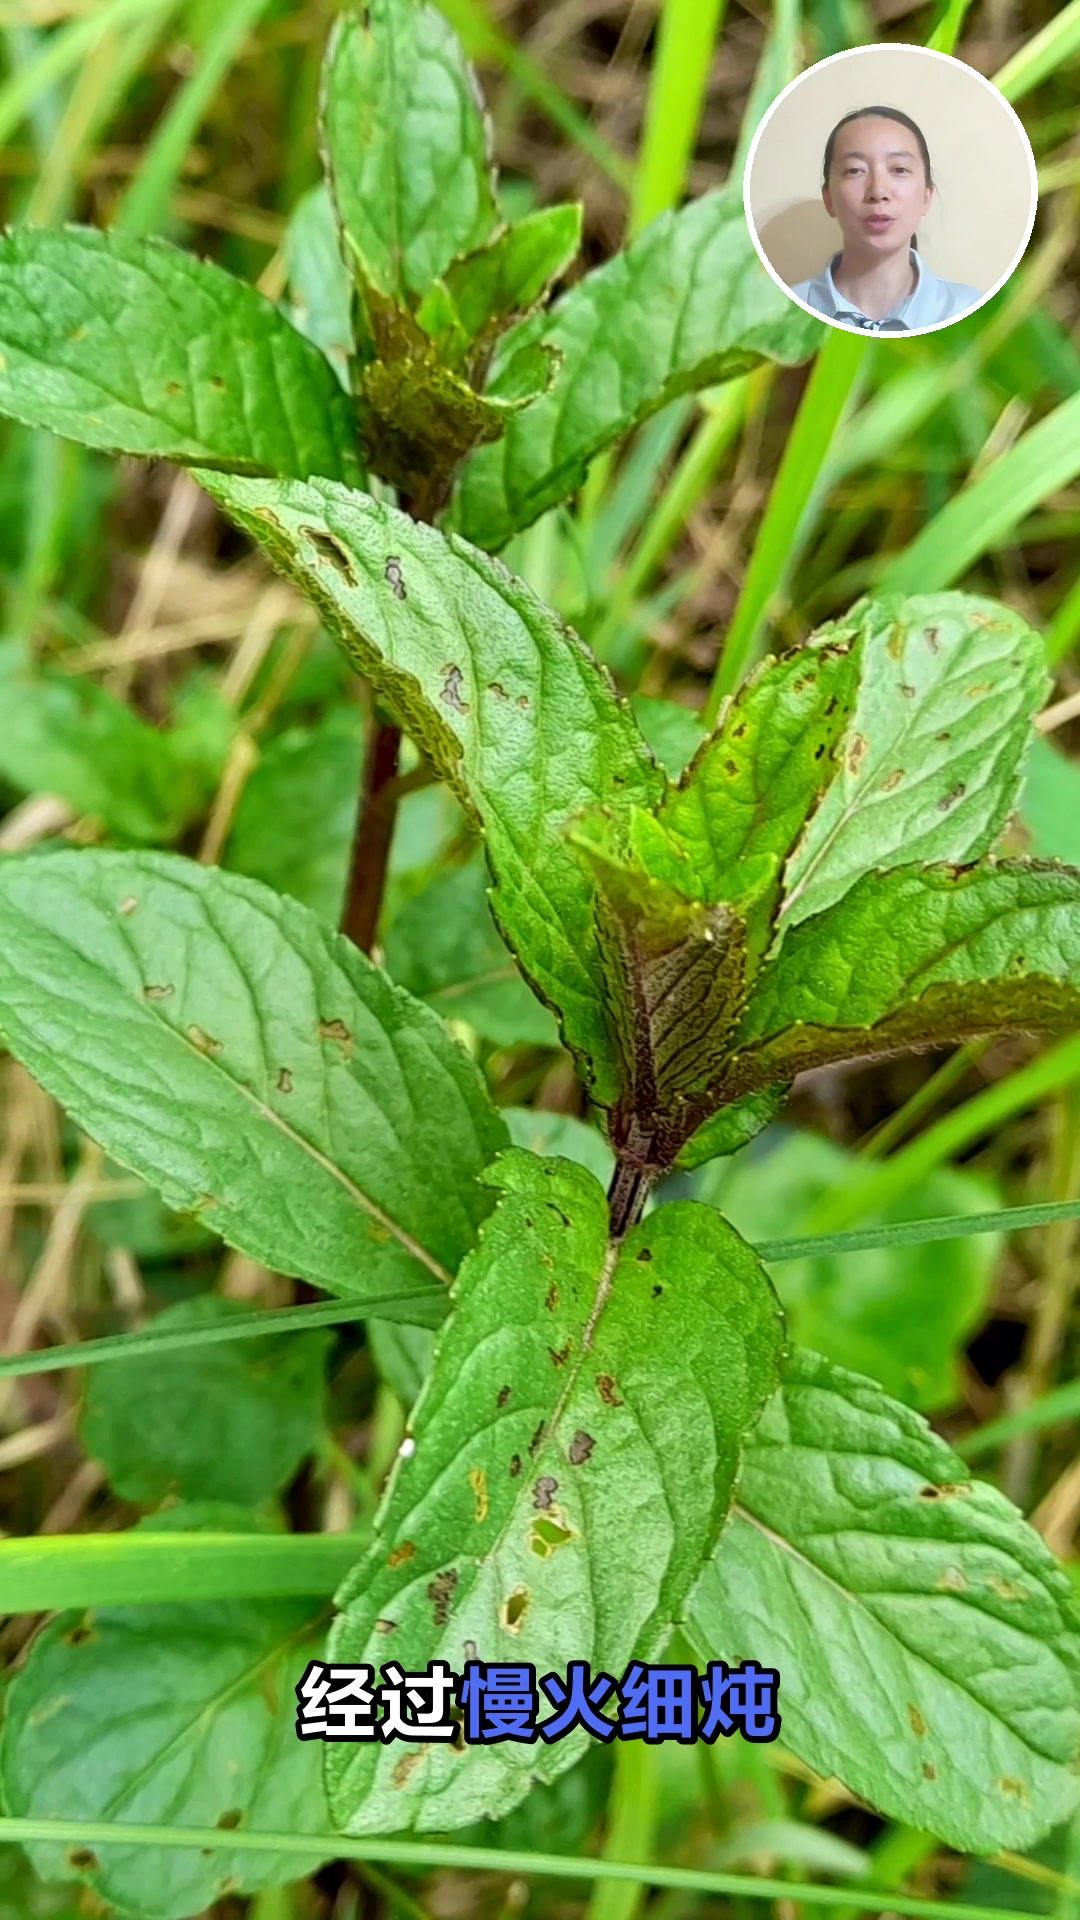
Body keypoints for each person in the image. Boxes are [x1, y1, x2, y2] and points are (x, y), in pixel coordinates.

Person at [790, 106, 984, 331]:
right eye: (855, 170)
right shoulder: (783, 315)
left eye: (899, 169)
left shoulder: (974, 312)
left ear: (926, 197)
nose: (878, 191)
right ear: (829, 199)